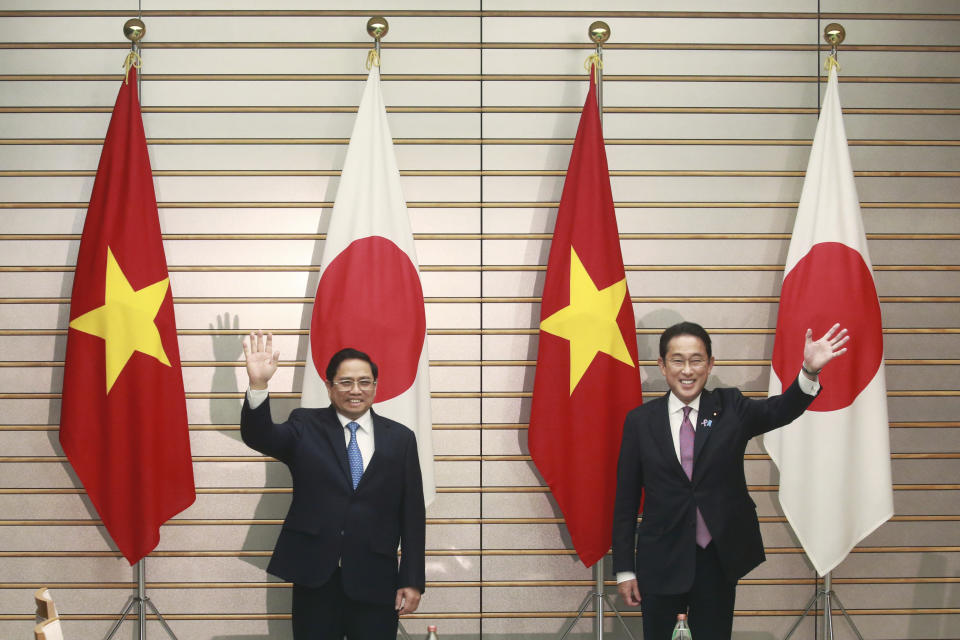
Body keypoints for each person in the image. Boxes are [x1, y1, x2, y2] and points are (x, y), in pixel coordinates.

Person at [612, 321, 849, 640]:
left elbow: (780, 410)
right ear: (662, 365)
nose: (687, 370)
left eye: (696, 360)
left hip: (717, 557)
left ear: (710, 365)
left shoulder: (730, 407)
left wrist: (808, 371)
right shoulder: (640, 421)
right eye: (677, 360)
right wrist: (625, 568)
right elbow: (625, 501)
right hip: (661, 558)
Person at [241, 330, 425, 640]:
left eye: (365, 382)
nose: (356, 390)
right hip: (315, 577)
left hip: (376, 579)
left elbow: (412, 515)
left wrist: (413, 579)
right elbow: (260, 437)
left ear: (375, 387)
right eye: (346, 382)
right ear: (329, 387)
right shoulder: (304, 426)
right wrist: (259, 384)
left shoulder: (401, 438)